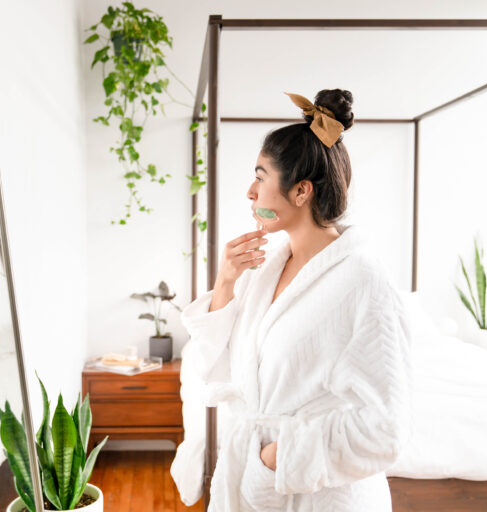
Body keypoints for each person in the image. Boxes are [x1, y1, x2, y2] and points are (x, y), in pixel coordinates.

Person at [170, 89, 414, 511]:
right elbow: (219, 371)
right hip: (255, 485)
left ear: (301, 192)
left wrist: (277, 457)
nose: (250, 191)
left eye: (261, 177)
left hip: (319, 497)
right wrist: (226, 282)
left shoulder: (364, 282)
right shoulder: (265, 270)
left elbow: (386, 428)